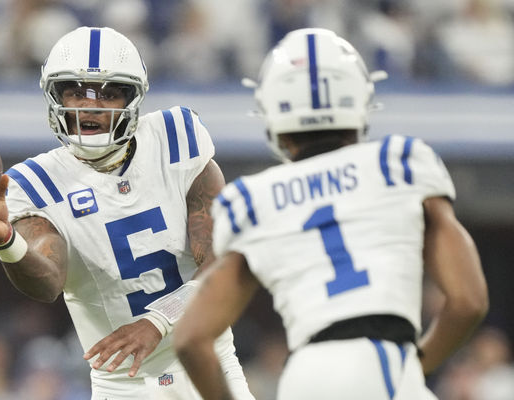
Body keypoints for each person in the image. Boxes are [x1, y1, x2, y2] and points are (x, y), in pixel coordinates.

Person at [174, 28, 489, 400]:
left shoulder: (251, 197)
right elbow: (469, 301)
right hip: (384, 357)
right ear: (360, 97)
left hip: (303, 377)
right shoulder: (399, 163)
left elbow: (192, 338)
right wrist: (416, 366)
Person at [0, 26, 254, 400]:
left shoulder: (176, 139)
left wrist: (157, 321)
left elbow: (221, 265)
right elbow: (47, 282)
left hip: (211, 366)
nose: (89, 105)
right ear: (54, 96)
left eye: (108, 93)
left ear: (132, 99)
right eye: (75, 91)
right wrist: (7, 241)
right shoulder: (36, 182)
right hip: (122, 387)